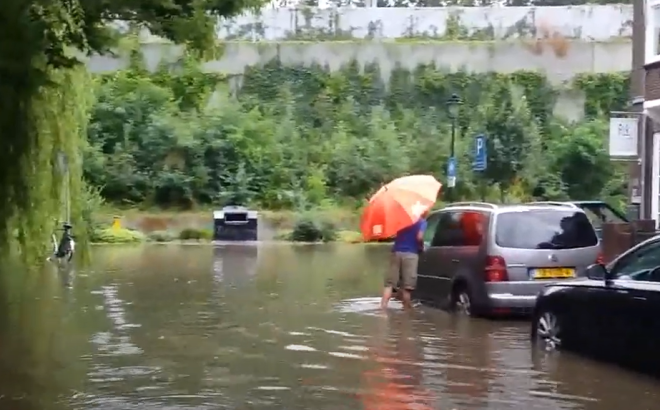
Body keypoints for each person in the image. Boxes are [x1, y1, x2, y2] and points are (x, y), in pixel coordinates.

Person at [381, 211, 428, 310]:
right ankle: (406, 314)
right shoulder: (422, 222)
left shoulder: (402, 220)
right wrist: (422, 246)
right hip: (410, 254)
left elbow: (393, 234)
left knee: (389, 284)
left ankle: (383, 309)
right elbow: (419, 237)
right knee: (407, 287)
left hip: (396, 252)